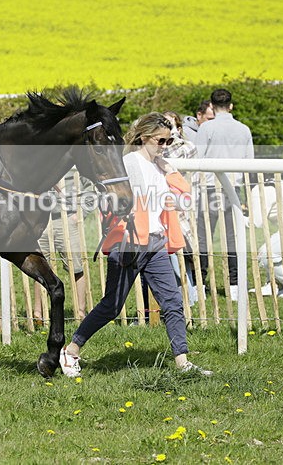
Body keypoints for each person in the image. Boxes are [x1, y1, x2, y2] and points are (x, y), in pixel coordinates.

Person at [59, 113, 211, 377]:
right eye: (160, 140)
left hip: (155, 242)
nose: (165, 145)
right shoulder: (128, 162)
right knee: (112, 306)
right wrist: (121, 211)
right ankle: (71, 349)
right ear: (144, 137)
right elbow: (107, 199)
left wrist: (170, 172)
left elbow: (185, 195)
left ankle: (183, 363)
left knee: (173, 302)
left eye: (169, 140)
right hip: (128, 243)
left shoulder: (161, 165)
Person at [193, 88, 254, 300]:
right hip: (233, 189)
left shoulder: (207, 128)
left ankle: (200, 283)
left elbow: (198, 158)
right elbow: (249, 162)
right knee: (232, 238)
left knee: (203, 238)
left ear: (212, 106)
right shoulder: (244, 129)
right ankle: (236, 285)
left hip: (208, 188)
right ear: (231, 106)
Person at [34, 172, 88, 324]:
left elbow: (89, 187)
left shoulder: (74, 162)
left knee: (76, 266)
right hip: (41, 220)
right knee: (39, 267)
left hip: (67, 219)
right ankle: (39, 313)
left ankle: (80, 313)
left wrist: (80, 214)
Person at [162, 111, 199, 306]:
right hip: (162, 204)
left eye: (170, 124)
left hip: (180, 204)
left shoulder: (186, 146)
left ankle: (190, 296)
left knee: (183, 253)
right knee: (168, 255)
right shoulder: (158, 147)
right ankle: (180, 295)